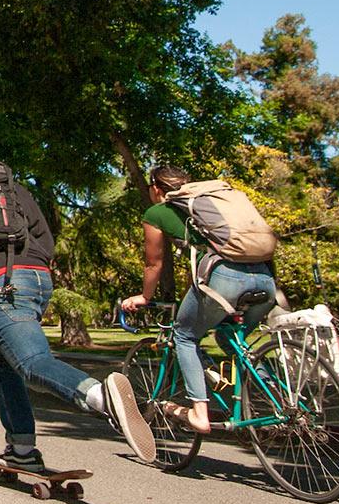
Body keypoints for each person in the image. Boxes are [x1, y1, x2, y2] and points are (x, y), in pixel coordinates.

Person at [0, 132, 153, 470]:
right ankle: (21, 449)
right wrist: (33, 270)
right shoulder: (12, 187)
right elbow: (44, 236)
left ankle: (101, 397)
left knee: (31, 361)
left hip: (1, 285)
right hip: (37, 277)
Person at [119, 165, 279, 434]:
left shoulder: (157, 212)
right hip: (265, 278)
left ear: (156, 188)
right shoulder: (213, 205)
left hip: (225, 278)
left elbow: (153, 263)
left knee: (184, 336)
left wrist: (145, 296)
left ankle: (199, 414)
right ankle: (277, 399)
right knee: (230, 338)